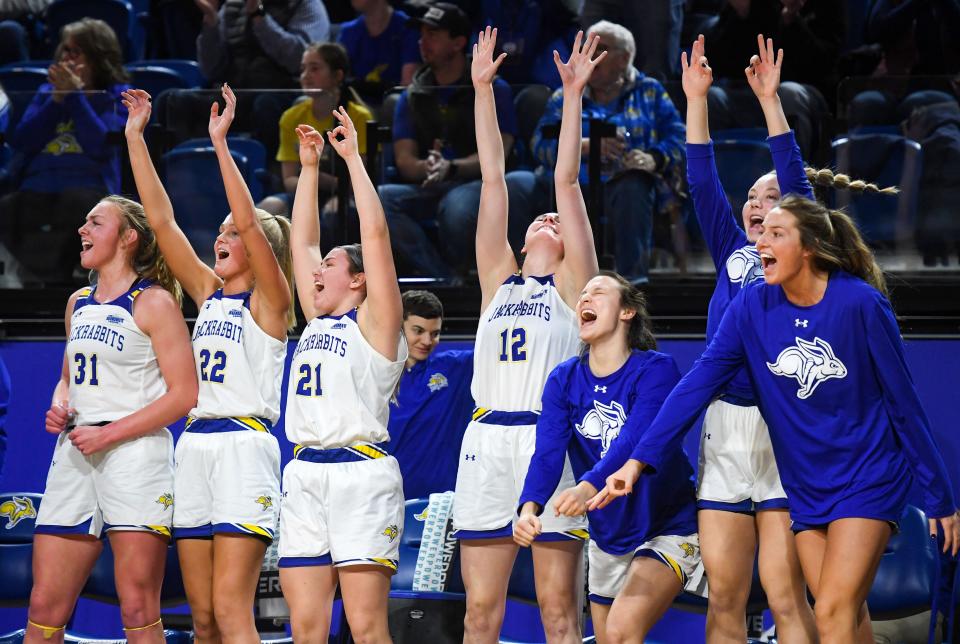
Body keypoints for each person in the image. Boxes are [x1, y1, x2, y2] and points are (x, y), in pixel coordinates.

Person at [591, 192, 960, 642]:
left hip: (868, 476)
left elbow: (905, 404)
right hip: (805, 485)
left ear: (808, 247)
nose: (761, 240)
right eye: (762, 232)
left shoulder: (860, 304)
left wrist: (940, 496)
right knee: (840, 611)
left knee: (832, 611)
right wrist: (635, 463)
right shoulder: (751, 307)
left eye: (777, 233)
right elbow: (695, 386)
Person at [124, 84, 294, 643]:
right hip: (195, 444)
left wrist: (220, 145)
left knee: (230, 609)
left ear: (258, 249)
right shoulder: (207, 291)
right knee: (200, 617)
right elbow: (162, 221)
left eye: (230, 234)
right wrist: (136, 138)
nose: (221, 236)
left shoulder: (271, 302)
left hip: (245, 447)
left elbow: (249, 221)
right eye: (218, 232)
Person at [452, 28, 600, 643]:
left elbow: (565, 181)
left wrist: (571, 96)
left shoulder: (574, 289)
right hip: (486, 438)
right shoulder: (498, 282)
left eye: (558, 223)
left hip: (548, 440)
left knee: (557, 610)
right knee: (480, 612)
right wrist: (482, 90)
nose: (547, 217)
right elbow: (492, 179)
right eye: (536, 218)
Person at [682, 33, 818, 643]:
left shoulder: (795, 259)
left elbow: (795, 180)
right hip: (724, 426)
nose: (756, 205)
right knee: (725, 600)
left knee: (787, 596)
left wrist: (769, 103)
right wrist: (696, 99)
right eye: (751, 198)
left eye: (770, 198)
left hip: (781, 421)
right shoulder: (733, 252)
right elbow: (701, 178)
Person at [27, 195, 197, 644]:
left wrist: (110, 434)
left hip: (134, 454)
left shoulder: (155, 302)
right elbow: (68, 377)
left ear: (128, 238)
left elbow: (184, 395)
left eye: (95, 223)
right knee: (45, 605)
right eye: (84, 222)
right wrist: (59, 403)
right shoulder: (78, 302)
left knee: (138, 604)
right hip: (77, 451)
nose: (82, 230)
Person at [515, 272, 700, 643]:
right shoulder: (563, 379)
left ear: (627, 311)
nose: (585, 298)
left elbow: (633, 439)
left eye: (598, 293)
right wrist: (528, 508)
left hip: (667, 525)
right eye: (582, 294)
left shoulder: (656, 369)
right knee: (608, 638)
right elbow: (547, 452)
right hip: (608, 531)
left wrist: (587, 487)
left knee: (620, 630)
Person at [278, 109, 405, 643]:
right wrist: (308, 169)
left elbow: (375, 236)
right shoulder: (317, 317)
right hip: (305, 472)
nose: (316, 272)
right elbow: (301, 245)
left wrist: (352, 158)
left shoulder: (376, 324)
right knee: (305, 627)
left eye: (330, 265)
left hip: (362, 473)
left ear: (357, 280)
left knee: (365, 626)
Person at [376, 2, 534, 279]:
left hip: (481, 182)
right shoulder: (411, 95)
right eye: (421, 34)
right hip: (433, 182)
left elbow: (504, 150)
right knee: (384, 199)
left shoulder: (493, 87)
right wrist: (429, 167)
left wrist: (451, 167)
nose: (423, 42)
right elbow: (404, 160)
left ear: (459, 42)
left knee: (457, 205)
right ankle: (444, 277)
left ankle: (476, 274)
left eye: (433, 35)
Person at [531, 20, 685, 284]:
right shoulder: (566, 94)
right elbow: (538, 144)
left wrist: (653, 158)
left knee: (635, 185)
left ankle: (631, 285)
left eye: (599, 48)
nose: (589, 55)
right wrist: (583, 147)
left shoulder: (650, 92)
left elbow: (680, 138)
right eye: (585, 47)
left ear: (624, 58)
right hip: (574, 184)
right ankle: (548, 280)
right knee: (524, 185)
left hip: (623, 182)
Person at [0, 18, 130, 285]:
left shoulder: (117, 95)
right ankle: (29, 288)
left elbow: (100, 146)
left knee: (75, 206)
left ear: (97, 57)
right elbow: (23, 141)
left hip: (89, 187)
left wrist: (75, 96)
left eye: (76, 51)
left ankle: (69, 283)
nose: (67, 58)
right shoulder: (48, 92)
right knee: (8, 209)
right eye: (65, 50)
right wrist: (57, 99)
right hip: (38, 187)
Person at [276, 41, 373, 243]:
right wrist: (325, 180)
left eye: (315, 68)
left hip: (345, 196)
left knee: (333, 214)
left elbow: (356, 182)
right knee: (268, 209)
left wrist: (312, 172)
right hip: (304, 193)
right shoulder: (291, 117)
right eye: (303, 69)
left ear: (338, 76)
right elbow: (289, 181)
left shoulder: (358, 117)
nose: (306, 75)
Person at [387, 289, 473, 499]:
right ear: (399, 326)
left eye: (434, 333)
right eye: (418, 330)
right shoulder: (378, 375)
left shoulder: (455, 368)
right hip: (388, 497)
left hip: (442, 501)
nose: (427, 340)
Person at [336, 0, 421, 105]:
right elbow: (337, 80)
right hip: (356, 106)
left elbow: (407, 86)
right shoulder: (348, 32)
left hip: (392, 107)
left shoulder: (407, 28)